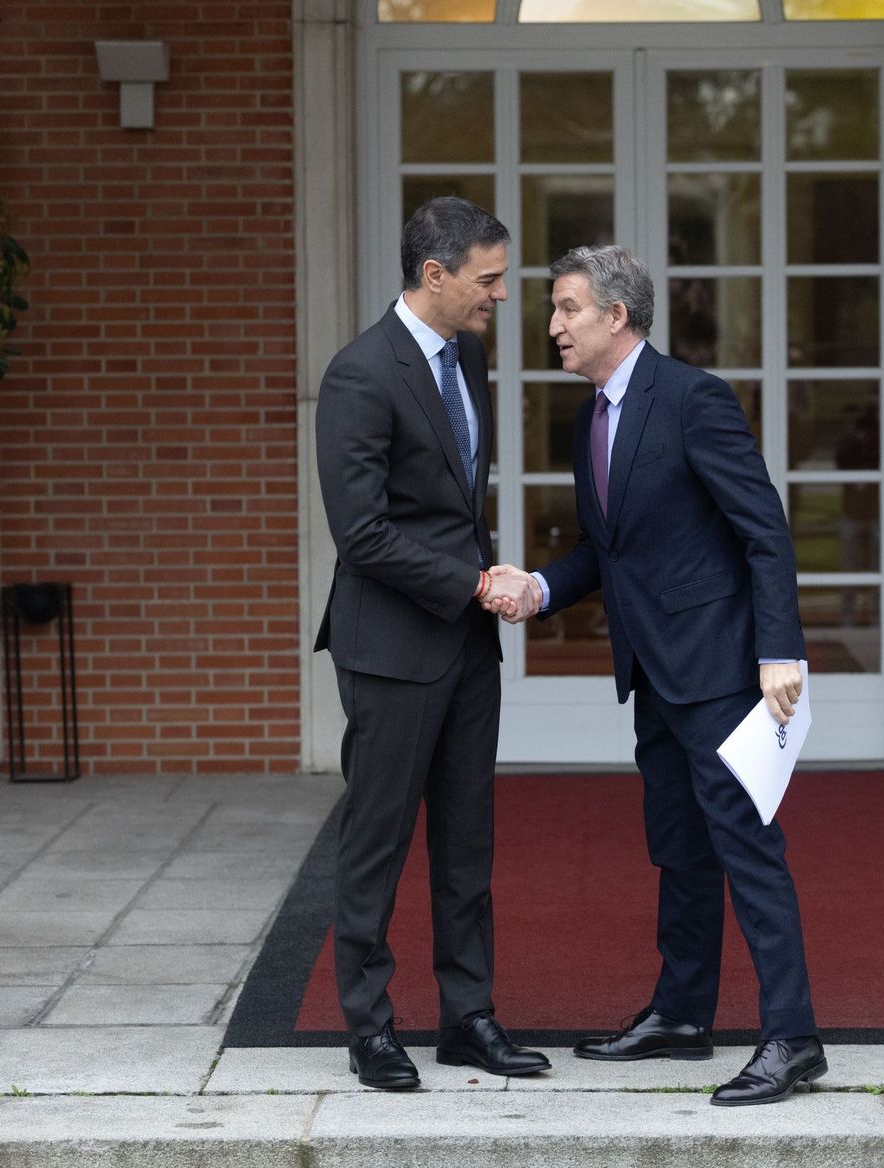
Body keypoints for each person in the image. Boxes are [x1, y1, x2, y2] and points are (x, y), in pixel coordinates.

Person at [489, 245, 825, 1106]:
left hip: (716, 668)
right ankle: (681, 1015)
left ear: (616, 317)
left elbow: (765, 529)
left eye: (566, 308)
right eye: (553, 309)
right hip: (652, 671)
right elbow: (608, 550)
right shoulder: (590, 416)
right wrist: (539, 590)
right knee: (679, 851)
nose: (553, 325)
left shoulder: (692, 399)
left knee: (747, 850)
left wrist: (780, 651)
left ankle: (793, 1038)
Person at [314, 197, 550, 1090]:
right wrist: (474, 583)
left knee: (466, 841)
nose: (500, 296)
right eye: (488, 281)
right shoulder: (359, 375)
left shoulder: (472, 357)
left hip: (467, 648)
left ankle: (468, 1017)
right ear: (435, 275)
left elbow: (455, 506)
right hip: (389, 648)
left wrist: (481, 583)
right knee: (376, 841)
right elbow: (361, 533)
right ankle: (370, 1028)